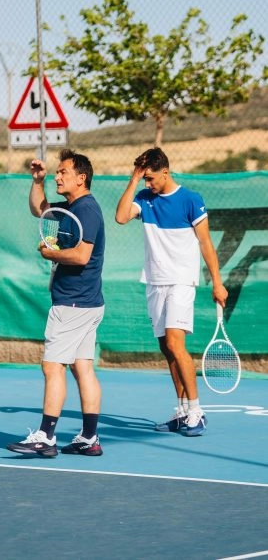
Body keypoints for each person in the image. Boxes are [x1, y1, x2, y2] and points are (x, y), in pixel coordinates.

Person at [115, 147, 228, 437]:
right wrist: (133, 179)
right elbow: (120, 217)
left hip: (181, 281)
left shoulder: (191, 200)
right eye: (144, 179)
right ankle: (181, 411)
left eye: (150, 178)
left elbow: (205, 244)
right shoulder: (143, 198)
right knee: (167, 350)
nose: (147, 183)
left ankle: (196, 411)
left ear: (165, 171)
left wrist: (217, 282)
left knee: (177, 345)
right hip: (155, 282)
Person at [7, 148, 105, 457]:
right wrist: (38, 180)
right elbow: (40, 209)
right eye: (57, 172)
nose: (58, 176)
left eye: (63, 172)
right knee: (83, 368)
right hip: (86, 302)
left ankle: (46, 437)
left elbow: (81, 255)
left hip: (73, 303)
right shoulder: (70, 208)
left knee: (52, 366)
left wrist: (51, 254)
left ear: (81, 177)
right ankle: (89, 438)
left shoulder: (87, 209)